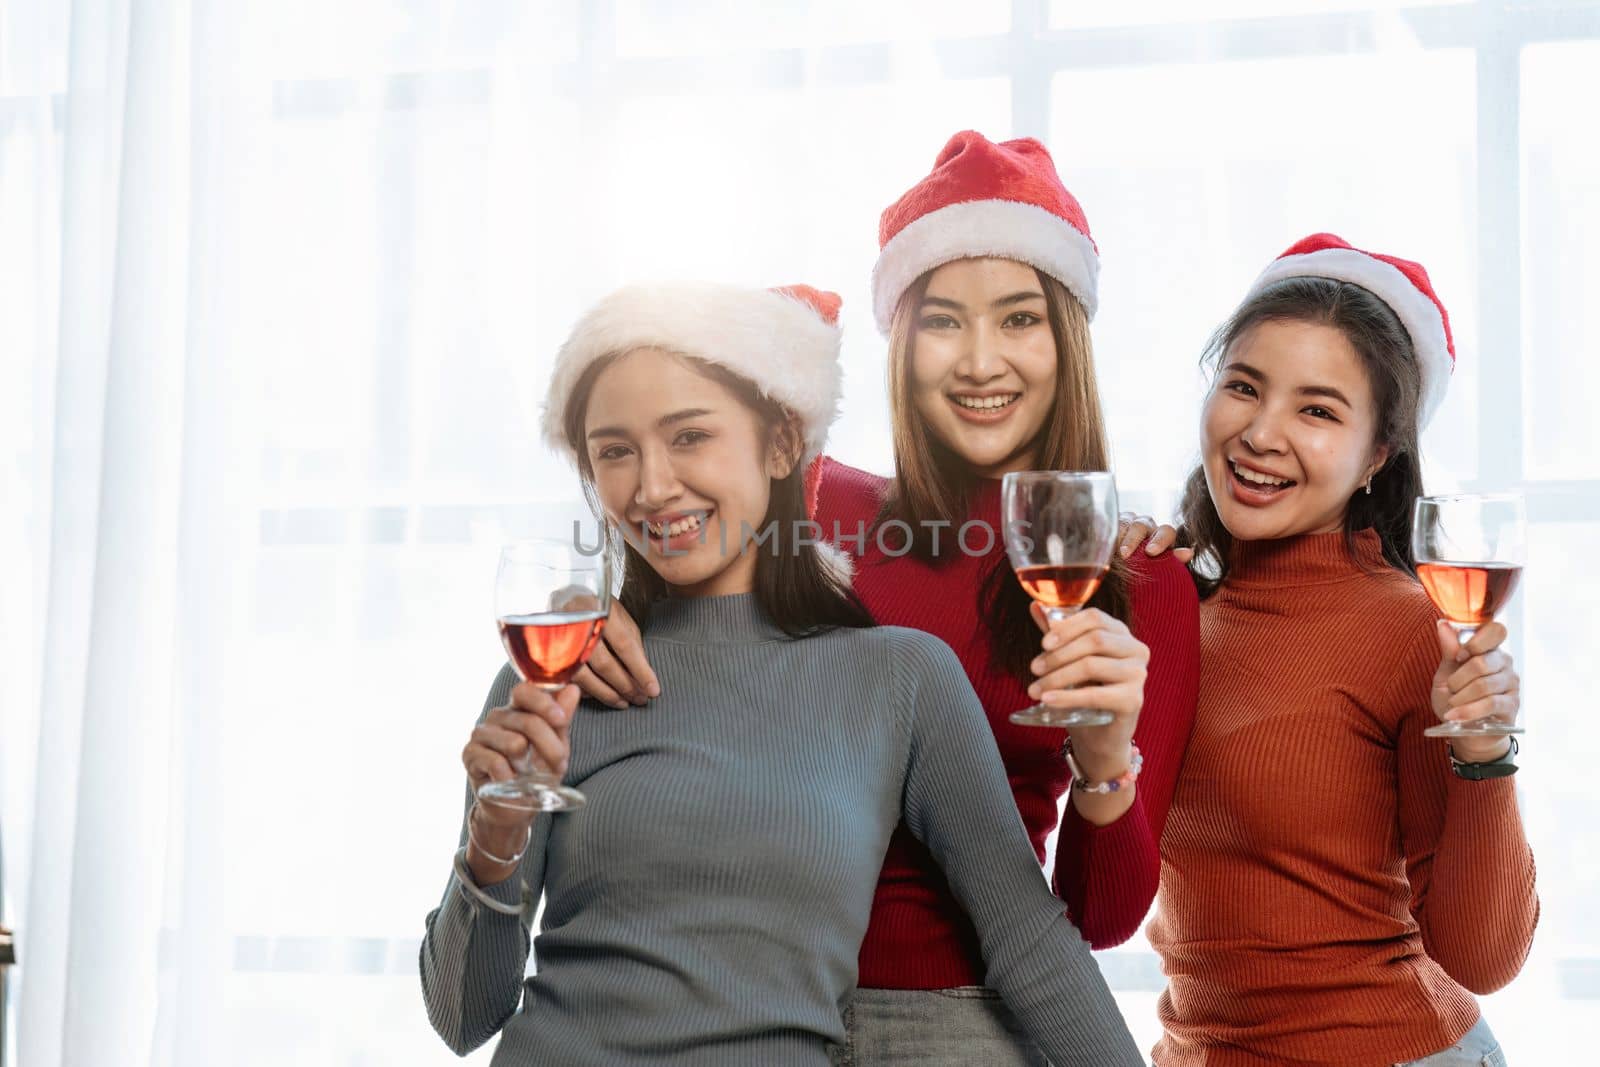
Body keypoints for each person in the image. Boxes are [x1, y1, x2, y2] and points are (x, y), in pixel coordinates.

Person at [574, 131, 1200, 1065]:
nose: (981, 361)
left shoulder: (1139, 578)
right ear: (899, 344)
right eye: (943, 321)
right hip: (749, 994)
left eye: (1020, 319)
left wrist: (1107, 760)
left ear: (1066, 340)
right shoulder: (819, 504)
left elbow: (1096, 923)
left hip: (959, 1014)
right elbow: (652, 458)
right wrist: (594, 609)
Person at [419, 281, 1144, 1067]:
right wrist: (490, 846)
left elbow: (1032, 944)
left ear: (779, 445)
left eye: (689, 436)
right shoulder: (560, 683)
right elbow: (464, 1016)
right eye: (615, 450)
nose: (652, 486)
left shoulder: (897, 679)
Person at [1147, 233, 1539, 1066]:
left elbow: (1483, 956)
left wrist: (1485, 755)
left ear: (1378, 457)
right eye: (1243, 387)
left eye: (1317, 410)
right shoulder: (1176, 604)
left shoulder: (1409, 630)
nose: (1260, 432)